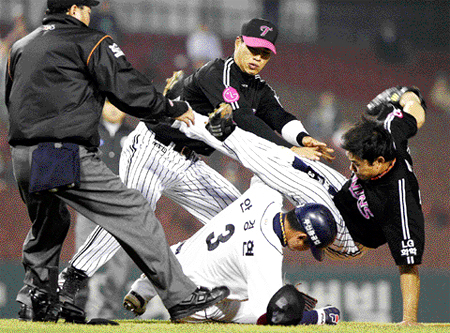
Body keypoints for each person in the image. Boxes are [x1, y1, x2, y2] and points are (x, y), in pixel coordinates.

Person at [56, 17, 334, 306]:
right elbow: (242, 120)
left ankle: (157, 282)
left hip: (187, 162)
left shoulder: (257, 88)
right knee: (133, 216)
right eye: (252, 49)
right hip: (151, 148)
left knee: (242, 219)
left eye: (264, 54)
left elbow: (279, 115)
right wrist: (285, 150)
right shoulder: (217, 72)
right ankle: (73, 276)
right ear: (238, 43)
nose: (257, 58)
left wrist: (302, 138)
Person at [4, 0, 229, 323]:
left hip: (23, 156)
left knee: (49, 223)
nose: (90, 12)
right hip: (63, 152)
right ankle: (181, 298)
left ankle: (37, 297)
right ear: (74, 10)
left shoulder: (21, 47)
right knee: (134, 211)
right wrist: (168, 107)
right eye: (86, 6)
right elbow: (128, 88)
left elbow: (11, 98)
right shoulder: (90, 40)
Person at [171, 85, 426, 325]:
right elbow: (415, 113)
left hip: (348, 235)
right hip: (342, 196)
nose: (352, 168)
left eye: (358, 164)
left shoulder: (400, 202)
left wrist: (410, 320)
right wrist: (409, 94)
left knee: (282, 174)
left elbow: (408, 264)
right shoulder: (389, 133)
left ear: (380, 162)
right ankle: (212, 128)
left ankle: (214, 129)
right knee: (291, 161)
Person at [124, 174, 341, 325]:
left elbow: (265, 168)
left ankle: (143, 289)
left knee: (192, 253)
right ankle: (157, 293)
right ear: (302, 237)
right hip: (192, 305)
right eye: (309, 246)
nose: (305, 251)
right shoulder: (267, 254)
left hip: (167, 267)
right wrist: (319, 317)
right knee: (262, 309)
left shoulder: (266, 196)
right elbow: (273, 317)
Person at [72, 100, 134, 319]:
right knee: (82, 256)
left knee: (120, 262)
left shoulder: (135, 135)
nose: (114, 108)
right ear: (101, 105)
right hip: (89, 203)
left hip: (121, 206)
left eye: (118, 103)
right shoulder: (87, 131)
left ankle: (108, 311)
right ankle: (76, 307)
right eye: (108, 103)